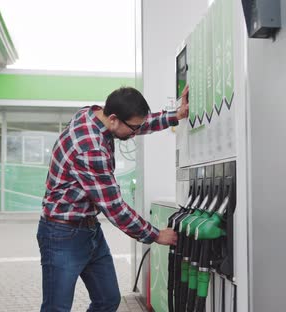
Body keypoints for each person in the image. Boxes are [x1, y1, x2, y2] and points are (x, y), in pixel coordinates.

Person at [38, 85, 189, 312]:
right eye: (133, 129)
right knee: (56, 308)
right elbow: (115, 209)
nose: (135, 133)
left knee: (108, 300)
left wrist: (176, 115)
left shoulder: (93, 113)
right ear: (114, 119)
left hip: (89, 230)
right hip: (62, 234)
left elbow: (138, 123)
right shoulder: (90, 148)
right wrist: (156, 235)